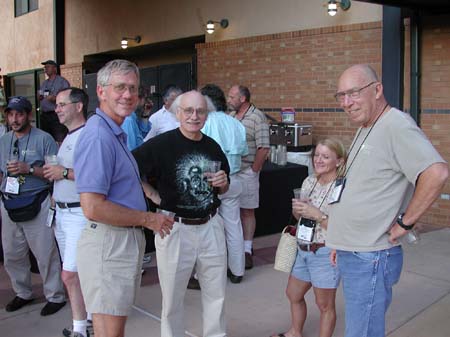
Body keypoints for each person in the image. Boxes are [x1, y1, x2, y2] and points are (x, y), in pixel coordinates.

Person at [327, 64, 448, 337]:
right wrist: (340, 240)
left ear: (377, 89)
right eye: (341, 96)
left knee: (363, 332)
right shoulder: (367, 126)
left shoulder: (396, 125)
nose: (346, 103)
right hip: (354, 249)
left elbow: (436, 172)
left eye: (354, 93)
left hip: (371, 255)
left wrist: (405, 223)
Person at [73, 59, 174, 337]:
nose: (128, 95)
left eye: (133, 88)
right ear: (101, 91)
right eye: (120, 87)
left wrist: (154, 202)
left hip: (118, 243)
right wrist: (148, 219)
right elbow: (92, 207)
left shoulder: (113, 132)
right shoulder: (98, 137)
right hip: (110, 245)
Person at [133, 90, 230, 337]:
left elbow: (224, 186)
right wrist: (154, 197)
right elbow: (129, 169)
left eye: (200, 111)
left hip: (210, 226)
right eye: (188, 110)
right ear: (178, 113)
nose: (194, 116)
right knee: (172, 299)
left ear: (207, 115)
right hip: (174, 227)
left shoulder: (212, 146)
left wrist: (223, 182)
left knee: (216, 293)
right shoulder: (161, 144)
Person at [272, 138, 346, 337]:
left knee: (324, 305)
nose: (318, 160)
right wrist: (298, 211)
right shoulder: (309, 181)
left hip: (325, 251)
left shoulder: (342, 188)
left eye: (326, 156)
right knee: (293, 294)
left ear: (339, 161)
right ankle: (295, 332)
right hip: (303, 247)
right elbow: (301, 218)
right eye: (317, 155)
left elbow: (344, 228)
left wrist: (317, 214)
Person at [0, 96, 66, 316]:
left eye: (19, 114)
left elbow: (54, 175)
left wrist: (28, 169)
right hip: (9, 203)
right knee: (12, 254)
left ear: (29, 115)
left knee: (45, 253)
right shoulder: (3, 140)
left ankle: (55, 296)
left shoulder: (44, 139)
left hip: (37, 201)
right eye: (10, 114)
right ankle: (23, 293)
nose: (15, 119)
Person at [43, 87, 91, 337]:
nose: (57, 109)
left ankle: (80, 330)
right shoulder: (69, 137)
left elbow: (97, 176)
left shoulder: (87, 136)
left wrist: (63, 173)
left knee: (69, 274)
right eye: (57, 105)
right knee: (76, 273)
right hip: (61, 214)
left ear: (79, 106)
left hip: (78, 215)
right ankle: (90, 320)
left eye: (62, 104)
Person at [201, 84, 248, 283]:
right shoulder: (236, 123)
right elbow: (245, 152)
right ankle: (237, 271)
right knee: (233, 226)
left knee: (208, 230)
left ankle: (208, 274)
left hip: (212, 181)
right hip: (235, 178)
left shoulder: (205, 123)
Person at [227, 84, 270, 269]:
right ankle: (233, 249)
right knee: (231, 212)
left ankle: (247, 249)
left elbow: (264, 147)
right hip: (231, 172)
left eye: (231, 97)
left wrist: (254, 169)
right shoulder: (229, 117)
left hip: (246, 172)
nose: (229, 100)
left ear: (242, 99)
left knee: (247, 211)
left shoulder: (257, 117)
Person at [39, 60, 70, 143]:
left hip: (56, 115)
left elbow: (67, 97)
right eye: (45, 67)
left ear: (55, 68)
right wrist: (39, 96)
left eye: (48, 67)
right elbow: (40, 95)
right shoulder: (44, 83)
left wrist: (55, 99)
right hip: (45, 115)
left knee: (59, 138)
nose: (45, 69)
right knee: (45, 139)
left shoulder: (62, 82)